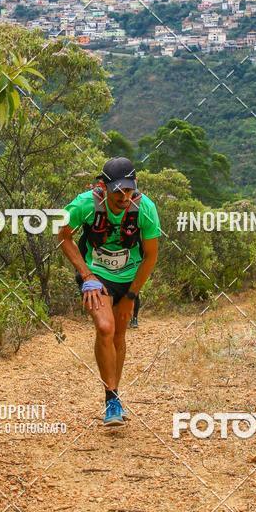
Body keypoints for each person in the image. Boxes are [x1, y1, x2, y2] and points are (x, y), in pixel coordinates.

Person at [58, 157, 160, 426]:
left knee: (119, 334)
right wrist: (86, 274)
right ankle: (111, 399)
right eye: (118, 190)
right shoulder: (84, 204)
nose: (124, 196)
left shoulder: (145, 208)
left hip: (128, 278)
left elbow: (150, 256)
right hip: (97, 276)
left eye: (129, 189)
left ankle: (114, 393)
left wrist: (131, 296)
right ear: (103, 186)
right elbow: (63, 236)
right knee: (105, 327)